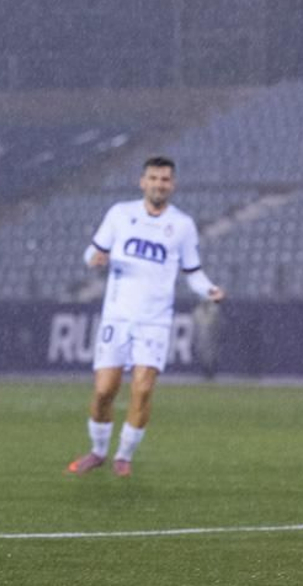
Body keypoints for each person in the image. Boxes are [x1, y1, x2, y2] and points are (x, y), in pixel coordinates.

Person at [66, 156, 224, 477]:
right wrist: (94, 258)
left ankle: (124, 456)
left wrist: (209, 290)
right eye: (153, 178)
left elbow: (192, 272)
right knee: (103, 391)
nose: (159, 184)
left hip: (155, 320)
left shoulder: (181, 225)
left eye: (165, 179)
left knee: (143, 388)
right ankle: (98, 451)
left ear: (172, 185)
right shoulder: (120, 214)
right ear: (143, 182)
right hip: (117, 317)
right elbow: (90, 252)